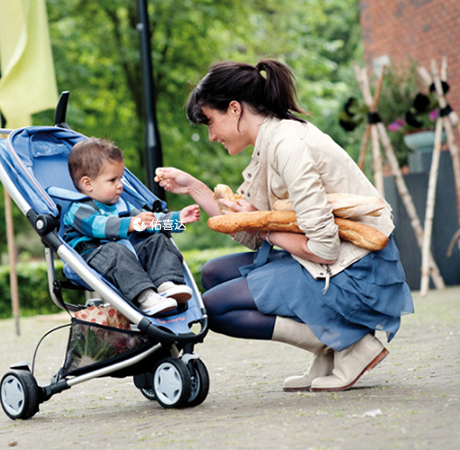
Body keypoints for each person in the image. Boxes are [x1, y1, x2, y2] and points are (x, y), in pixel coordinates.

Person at [154, 59, 414, 391]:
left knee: (214, 308)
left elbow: (324, 248)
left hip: (357, 270)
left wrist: (265, 228)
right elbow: (252, 235)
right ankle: (331, 348)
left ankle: (349, 345)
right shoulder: (270, 143)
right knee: (212, 274)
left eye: (210, 122)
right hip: (338, 261)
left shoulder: (287, 146)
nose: (210, 135)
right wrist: (194, 188)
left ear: (234, 109)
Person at [64, 137, 201, 317]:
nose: (120, 185)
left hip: (126, 256)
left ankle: (167, 284)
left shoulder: (121, 205)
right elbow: (100, 226)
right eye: (113, 180)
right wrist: (134, 223)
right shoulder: (78, 210)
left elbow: (151, 220)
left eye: (120, 178)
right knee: (116, 251)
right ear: (88, 184)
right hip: (95, 256)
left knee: (157, 239)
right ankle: (145, 297)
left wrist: (177, 220)